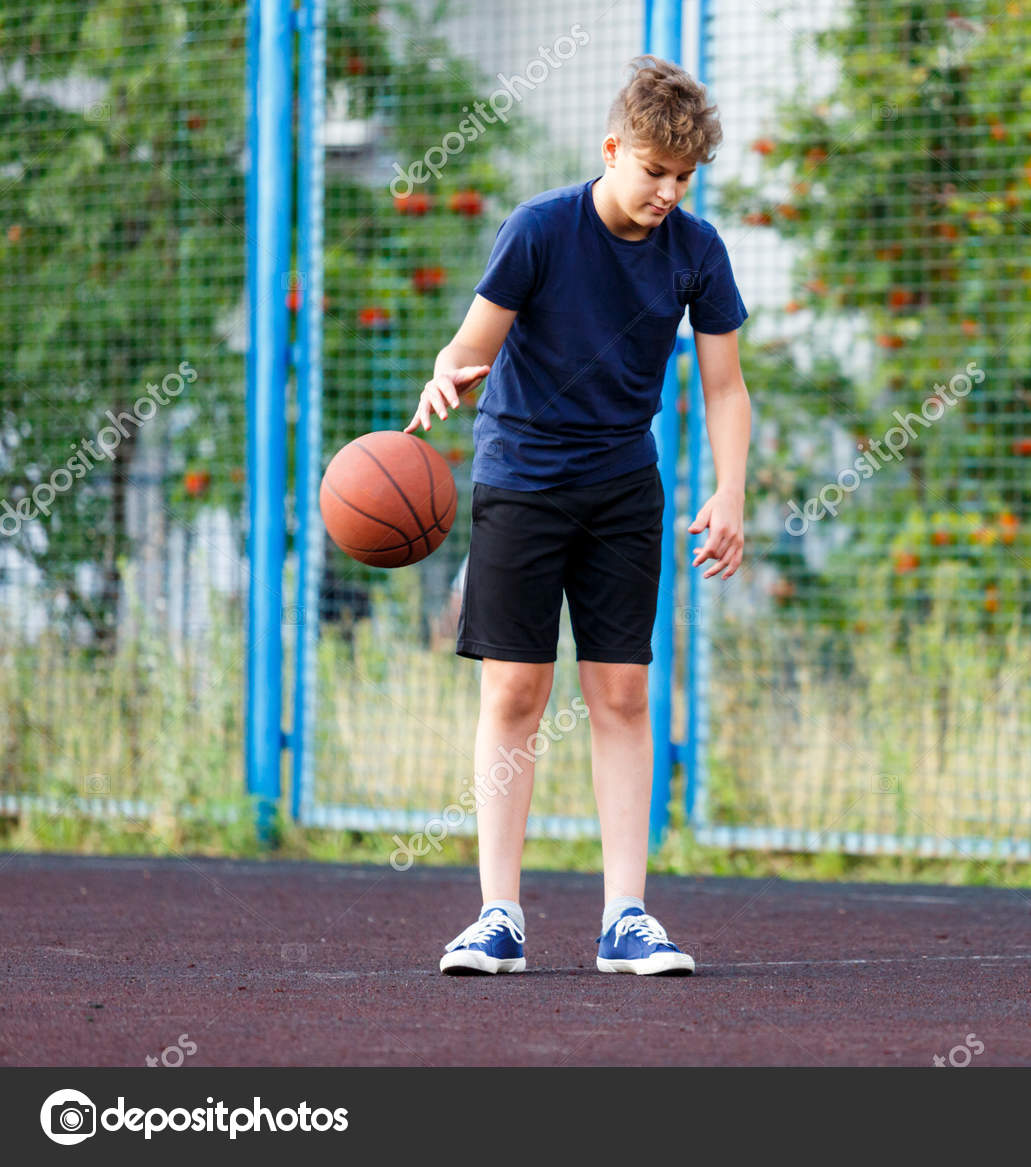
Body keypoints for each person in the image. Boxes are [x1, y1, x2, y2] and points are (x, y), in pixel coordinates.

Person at [404, 55, 749, 976]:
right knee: (516, 692)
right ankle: (498, 915)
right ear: (612, 150)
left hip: (623, 487)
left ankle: (627, 916)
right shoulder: (540, 229)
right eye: (653, 171)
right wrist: (449, 372)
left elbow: (725, 386)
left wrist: (732, 487)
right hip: (520, 477)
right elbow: (471, 345)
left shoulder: (697, 252)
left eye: (683, 177)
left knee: (622, 695)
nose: (668, 192)